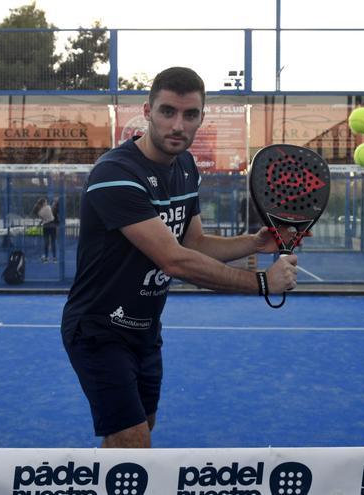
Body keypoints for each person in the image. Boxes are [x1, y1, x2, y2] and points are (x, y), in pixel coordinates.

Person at [60, 66, 298, 449]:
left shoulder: (186, 168)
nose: (178, 125)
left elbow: (195, 243)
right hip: (98, 328)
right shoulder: (115, 174)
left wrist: (254, 244)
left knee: (141, 429)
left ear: (201, 118)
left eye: (190, 115)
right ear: (147, 111)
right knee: (132, 440)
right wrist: (261, 283)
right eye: (167, 111)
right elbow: (175, 260)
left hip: (146, 330)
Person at [33, 197, 56, 262]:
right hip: (52, 225)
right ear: (43, 203)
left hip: (45, 226)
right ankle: (54, 258)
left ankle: (46, 257)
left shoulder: (39, 212)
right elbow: (51, 213)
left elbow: (43, 219)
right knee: (53, 242)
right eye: (45, 201)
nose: (46, 202)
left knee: (46, 242)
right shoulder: (48, 207)